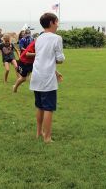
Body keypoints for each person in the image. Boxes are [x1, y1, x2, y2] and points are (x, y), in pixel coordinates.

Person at [30, 13, 65, 143]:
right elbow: (60, 58)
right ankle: (47, 137)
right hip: (47, 78)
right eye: (57, 22)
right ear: (51, 22)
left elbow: (42, 58)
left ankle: (39, 133)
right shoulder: (57, 38)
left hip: (37, 75)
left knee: (39, 106)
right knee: (49, 107)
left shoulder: (38, 38)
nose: (58, 24)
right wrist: (59, 62)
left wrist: (56, 71)